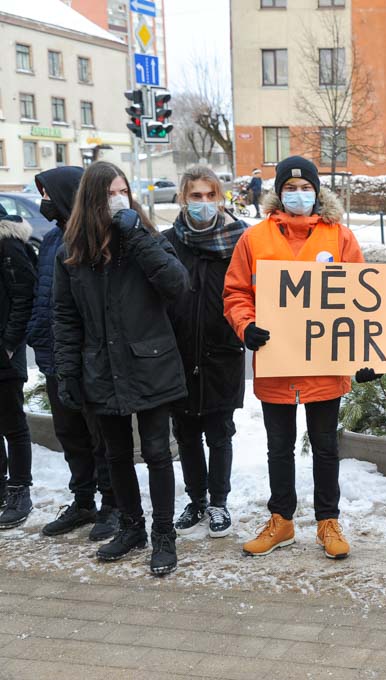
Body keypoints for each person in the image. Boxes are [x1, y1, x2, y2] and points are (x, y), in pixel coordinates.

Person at [224, 156, 364, 561]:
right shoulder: (255, 238)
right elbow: (236, 293)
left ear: (317, 192)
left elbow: (361, 298)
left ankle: (327, 521)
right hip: (276, 362)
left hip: (323, 364)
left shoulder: (339, 237)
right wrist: (245, 326)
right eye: (291, 187)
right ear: (279, 191)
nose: (298, 194)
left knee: (325, 447)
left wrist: (363, 351)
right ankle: (281, 520)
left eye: (306, 188)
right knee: (278, 447)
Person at [53, 161, 188, 576]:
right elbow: (65, 316)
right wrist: (67, 373)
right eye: (110, 193)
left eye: (123, 191)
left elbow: (176, 284)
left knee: (155, 452)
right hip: (101, 367)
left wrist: (135, 235)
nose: (118, 199)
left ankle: (164, 534)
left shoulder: (143, 238)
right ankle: (132, 526)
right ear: (93, 198)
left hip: (151, 364)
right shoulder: (71, 250)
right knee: (115, 454)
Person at [27, 166, 119, 540]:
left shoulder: (95, 240)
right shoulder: (52, 239)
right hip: (55, 357)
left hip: (89, 360)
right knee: (70, 433)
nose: (43, 202)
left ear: (67, 194)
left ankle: (113, 504)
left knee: (101, 437)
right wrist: (37, 334)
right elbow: (45, 298)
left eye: (47, 194)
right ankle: (83, 500)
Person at [165, 166, 247, 539]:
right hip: (178, 356)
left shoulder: (239, 242)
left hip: (221, 354)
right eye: (196, 196)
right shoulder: (168, 242)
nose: (203, 203)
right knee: (185, 434)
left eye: (210, 195)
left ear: (221, 198)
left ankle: (218, 502)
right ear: (183, 197)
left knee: (219, 433)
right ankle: (196, 500)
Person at [0, 203, 37, 529]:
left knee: (13, 425)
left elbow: (25, 295)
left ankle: (19, 489)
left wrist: (9, 344)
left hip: (4, 356)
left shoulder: (9, 245)